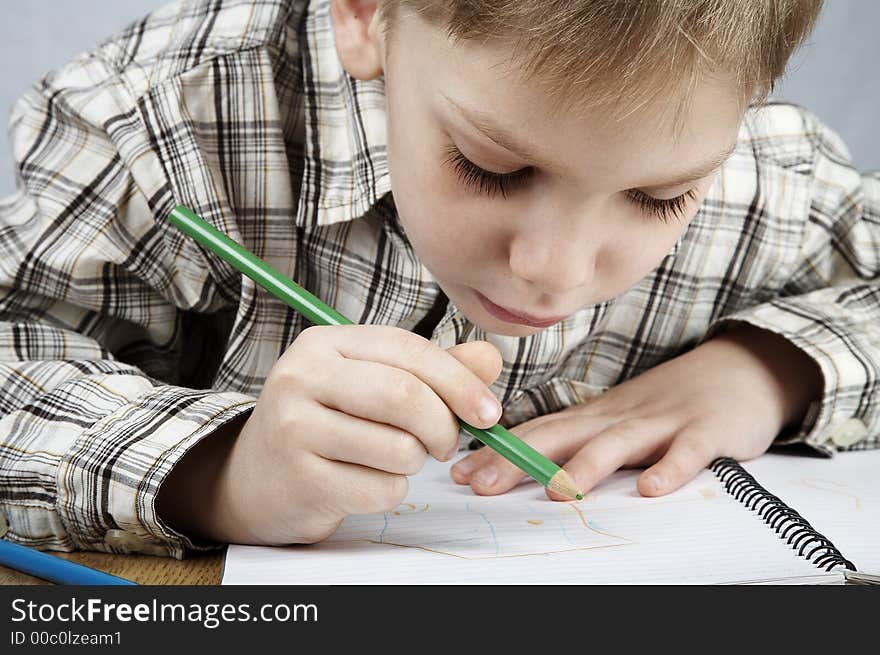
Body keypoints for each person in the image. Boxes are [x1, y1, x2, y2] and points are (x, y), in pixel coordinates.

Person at [0, 0, 875, 558]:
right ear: (366, 14)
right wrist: (222, 474)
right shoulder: (162, 120)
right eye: (492, 168)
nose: (557, 272)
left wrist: (768, 369)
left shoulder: (760, 172)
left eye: (658, 196)